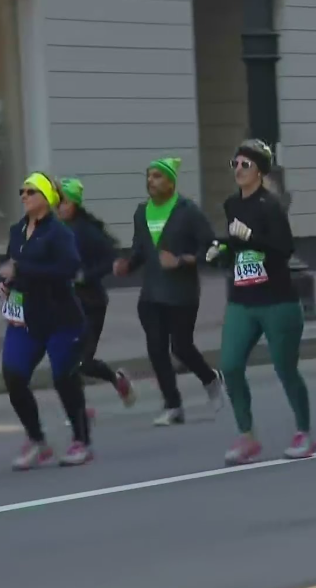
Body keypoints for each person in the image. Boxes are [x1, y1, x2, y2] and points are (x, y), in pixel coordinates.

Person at [207, 139, 316, 465]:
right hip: (243, 298)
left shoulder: (270, 206)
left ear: (259, 171)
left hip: (276, 300)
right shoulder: (231, 205)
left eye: (246, 165)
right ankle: (247, 436)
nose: (239, 170)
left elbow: (283, 249)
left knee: (285, 368)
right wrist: (222, 253)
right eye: (235, 164)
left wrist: (249, 238)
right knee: (229, 364)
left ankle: (304, 432)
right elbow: (239, 249)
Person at [113, 157, 226, 426]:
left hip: (182, 292)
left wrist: (183, 260)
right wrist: (127, 265)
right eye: (149, 176)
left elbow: (214, 249)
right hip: (151, 294)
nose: (151, 181)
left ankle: (210, 379)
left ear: (171, 182)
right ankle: (173, 405)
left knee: (182, 347)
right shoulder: (142, 212)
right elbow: (141, 250)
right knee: (156, 349)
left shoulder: (188, 211)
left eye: (158, 176)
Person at [1, 172, 93, 469]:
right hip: (26, 318)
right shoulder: (17, 230)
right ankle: (38, 441)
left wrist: (21, 270)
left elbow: (68, 269)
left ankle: (82, 441)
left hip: (60, 318)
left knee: (63, 378)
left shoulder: (59, 233)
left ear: (46, 198)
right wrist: (5, 283)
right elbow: (10, 265)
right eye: (22, 191)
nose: (24, 196)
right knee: (13, 376)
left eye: (30, 191)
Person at [57, 178, 135, 407]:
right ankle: (79, 409)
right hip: (67, 305)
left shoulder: (87, 230)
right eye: (57, 202)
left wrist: (85, 276)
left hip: (91, 305)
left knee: (82, 362)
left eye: (64, 202)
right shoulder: (57, 229)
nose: (59, 207)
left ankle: (117, 380)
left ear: (74, 203)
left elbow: (111, 258)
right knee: (66, 360)